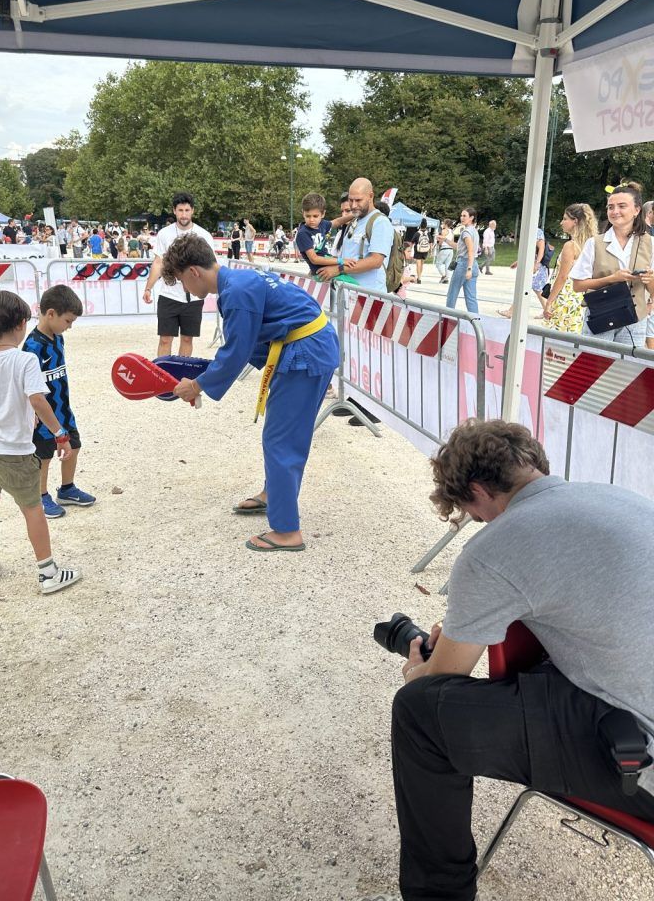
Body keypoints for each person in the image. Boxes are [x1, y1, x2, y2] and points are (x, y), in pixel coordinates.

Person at [390, 418, 654, 901]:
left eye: (471, 513)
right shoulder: (618, 497)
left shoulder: (495, 547)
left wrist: (416, 671)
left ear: (476, 491)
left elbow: (444, 677)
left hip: (641, 758)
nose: (480, 523)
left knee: (419, 714)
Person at [164, 234, 338, 552]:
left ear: (193, 272)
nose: (186, 291)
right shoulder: (239, 280)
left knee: (281, 439)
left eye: (182, 282)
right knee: (284, 432)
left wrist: (197, 385)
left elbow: (235, 352)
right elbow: (246, 346)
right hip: (308, 348)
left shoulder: (236, 292)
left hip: (305, 354)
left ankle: (286, 531)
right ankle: (275, 494)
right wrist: (205, 376)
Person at [0, 290, 81, 595]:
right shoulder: (25, 360)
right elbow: (38, 400)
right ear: (23, 323)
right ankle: (48, 572)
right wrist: (60, 433)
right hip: (14, 451)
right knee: (32, 508)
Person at [22, 285, 96, 520]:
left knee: (73, 445)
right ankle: (41, 495)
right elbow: (26, 384)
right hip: (43, 413)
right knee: (44, 455)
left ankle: (67, 488)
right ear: (51, 313)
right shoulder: (32, 346)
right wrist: (31, 410)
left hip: (63, 408)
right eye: (68, 320)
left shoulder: (58, 339)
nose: (70, 326)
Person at [572, 181, 654, 346]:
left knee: (628, 369)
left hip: (635, 320)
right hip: (601, 315)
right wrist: (612, 278)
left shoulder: (650, 243)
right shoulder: (594, 243)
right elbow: (578, 285)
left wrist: (650, 281)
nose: (615, 211)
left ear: (637, 210)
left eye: (622, 206)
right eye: (611, 207)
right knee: (594, 365)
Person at [143, 192, 215, 357]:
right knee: (165, 339)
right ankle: (161, 377)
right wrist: (148, 288)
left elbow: (210, 266)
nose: (184, 214)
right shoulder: (164, 234)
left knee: (187, 339)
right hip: (169, 294)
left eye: (187, 210)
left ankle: (179, 376)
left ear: (193, 211)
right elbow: (158, 262)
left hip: (194, 297)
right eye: (180, 210)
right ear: (174, 211)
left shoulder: (204, 235)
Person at [318, 177, 394, 292]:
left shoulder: (380, 222)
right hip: (349, 293)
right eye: (351, 200)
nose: (353, 205)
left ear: (370, 196)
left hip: (369, 296)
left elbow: (375, 261)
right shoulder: (354, 221)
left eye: (358, 200)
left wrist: (339, 269)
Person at [543, 203, 598, 333]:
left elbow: (562, 277)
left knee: (556, 339)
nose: (562, 223)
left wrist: (549, 301)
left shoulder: (571, 246)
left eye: (565, 219)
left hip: (567, 297)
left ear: (575, 221)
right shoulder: (592, 244)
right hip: (582, 297)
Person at [294, 192, 356, 281]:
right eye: (308, 216)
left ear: (323, 214)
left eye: (315, 216)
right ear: (303, 213)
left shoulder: (322, 224)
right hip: (321, 272)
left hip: (328, 263)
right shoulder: (303, 233)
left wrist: (354, 215)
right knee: (352, 285)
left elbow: (337, 222)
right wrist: (341, 261)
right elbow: (314, 259)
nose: (311, 220)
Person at [498, 226, 553, 320]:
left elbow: (541, 249)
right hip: (534, 266)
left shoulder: (538, 232)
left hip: (539, 268)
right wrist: (518, 262)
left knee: (533, 289)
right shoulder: (529, 232)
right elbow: (528, 252)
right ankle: (547, 311)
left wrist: (537, 264)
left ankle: (511, 311)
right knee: (534, 289)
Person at [445, 207, 479, 313]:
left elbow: (470, 251)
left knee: (452, 294)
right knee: (471, 298)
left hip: (464, 264)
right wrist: (445, 240)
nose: (462, 218)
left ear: (471, 218)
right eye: (461, 215)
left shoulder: (466, 232)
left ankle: (448, 318)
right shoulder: (474, 231)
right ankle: (476, 322)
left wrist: (468, 268)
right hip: (474, 264)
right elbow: (460, 248)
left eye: (464, 216)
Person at [410, 218, 433, 283]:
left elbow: (412, 242)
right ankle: (419, 276)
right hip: (425, 250)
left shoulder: (417, 233)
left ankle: (419, 278)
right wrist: (431, 251)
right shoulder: (428, 233)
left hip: (418, 250)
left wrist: (410, 250)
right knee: (422, 264)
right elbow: (431, 242)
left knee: (418, 264)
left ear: (420, 225)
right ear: (426, 226)